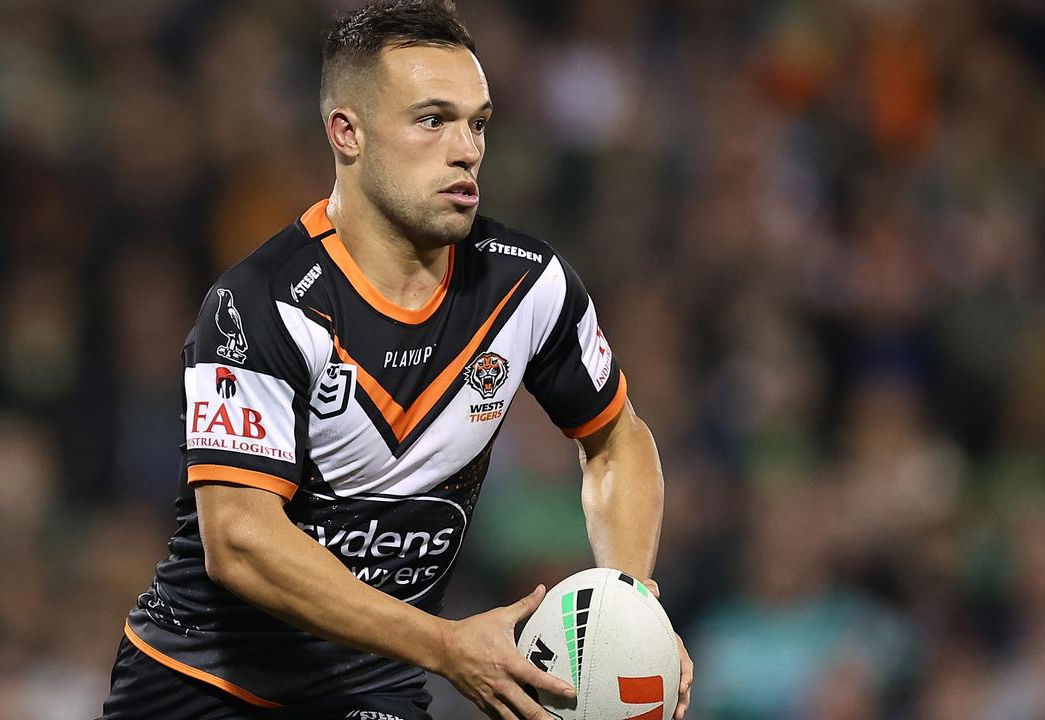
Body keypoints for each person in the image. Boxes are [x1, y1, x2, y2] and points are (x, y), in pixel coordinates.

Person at [100, 1, 693, 718]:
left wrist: (624, 611)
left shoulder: (527, 286)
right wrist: (445, 646)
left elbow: (617, 437)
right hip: (203, 686)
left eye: (478, 122)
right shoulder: (263, 304)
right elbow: (240, 538)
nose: (467, 148)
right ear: (346, 133)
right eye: (432, 119)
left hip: (373, 688)